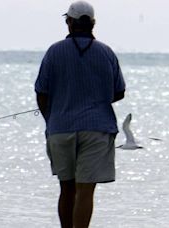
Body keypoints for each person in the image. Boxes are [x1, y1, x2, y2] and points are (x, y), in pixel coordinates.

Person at [34, 1, 126, 227]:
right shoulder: (106, 52)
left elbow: (41, 91)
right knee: (85, 191)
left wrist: (51, 119)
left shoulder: (54, 51)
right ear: (93, 23)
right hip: (97, 129)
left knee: (66, 188)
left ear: (69, 23)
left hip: (60, 128)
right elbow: (119, 92)